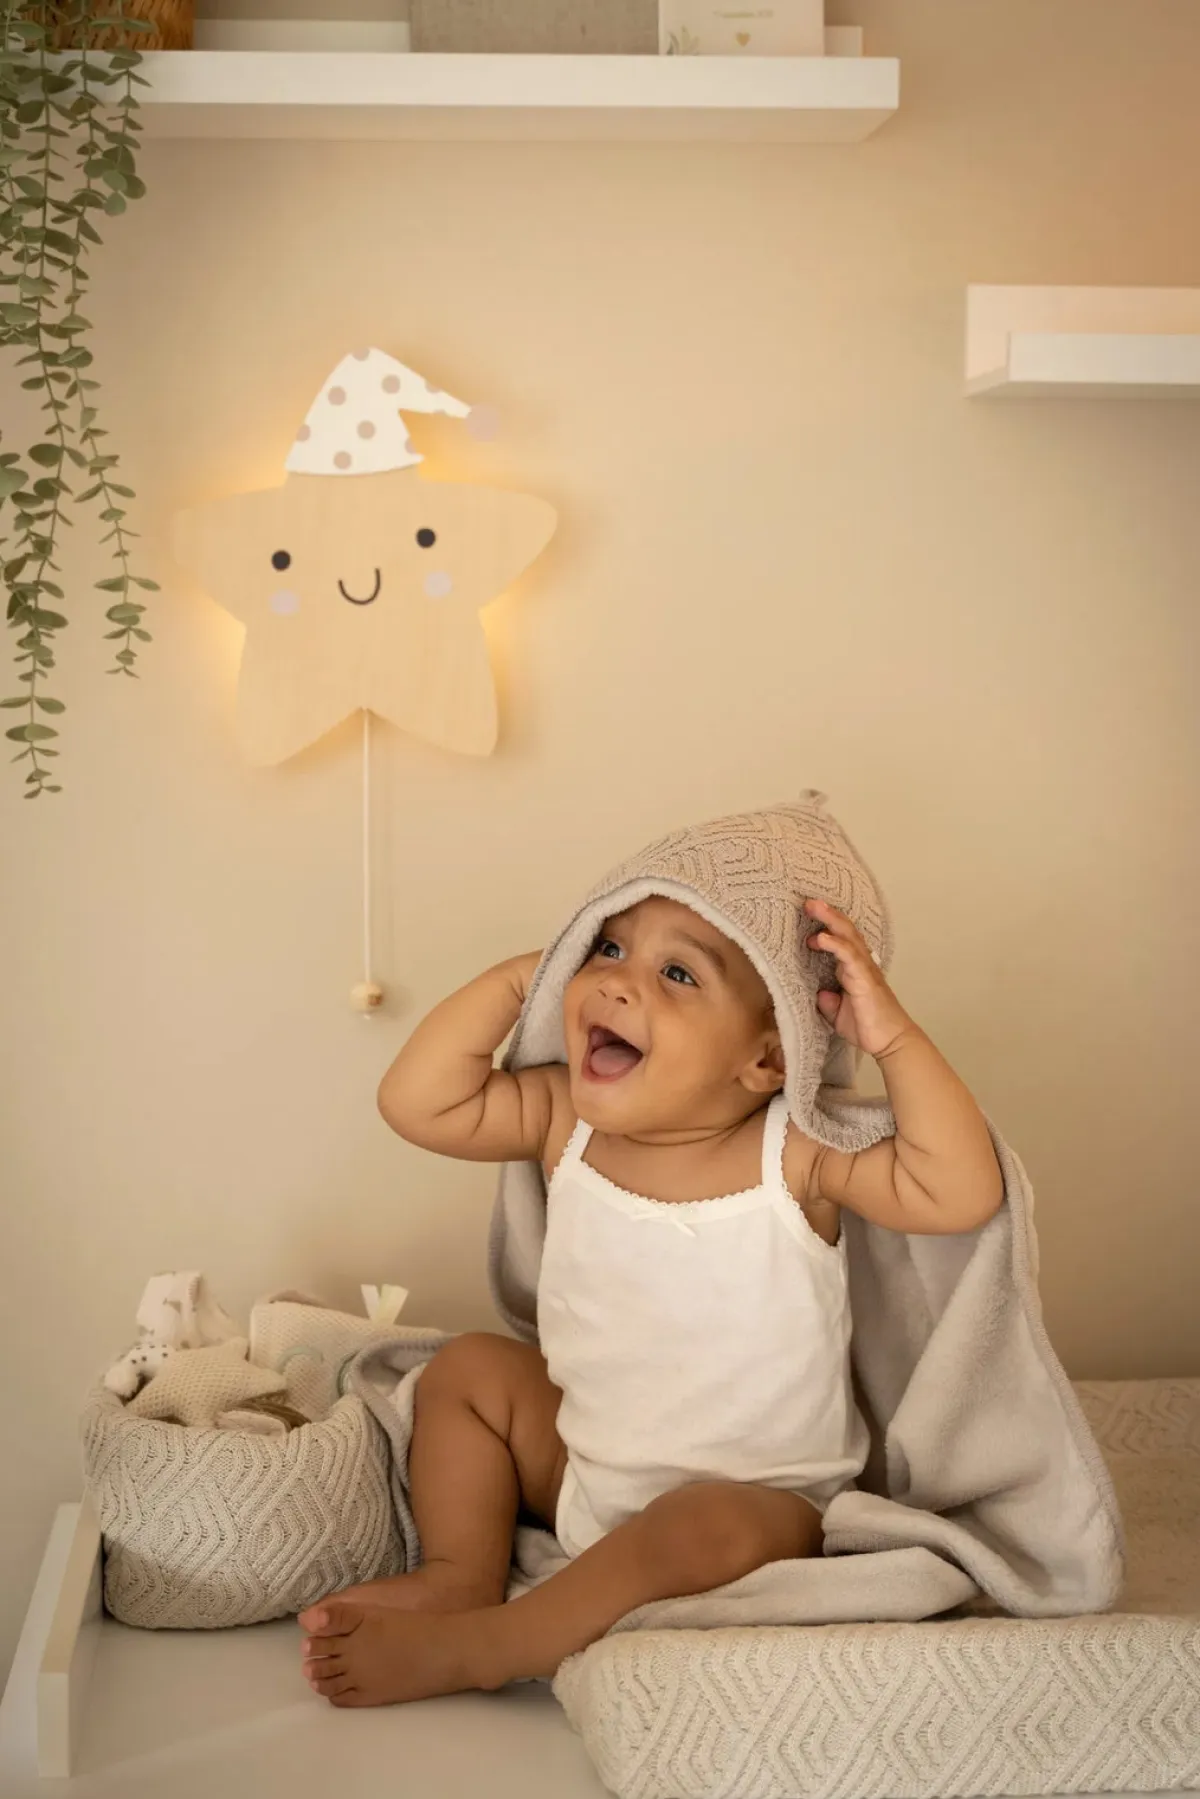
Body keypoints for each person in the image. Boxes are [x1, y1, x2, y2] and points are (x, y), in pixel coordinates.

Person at [299, 888, 1002, 1706]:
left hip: (762, 1503)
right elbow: (416, 1101)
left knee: (702, 1522)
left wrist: (895, 1040)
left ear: (767, 1058)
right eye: (607, 949)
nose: (618, 980)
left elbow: (958, 1192)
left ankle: (487, 1644)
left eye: (677, 972)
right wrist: (531, 976)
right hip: (586, 1467)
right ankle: (460, 1575)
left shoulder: (797, 1153)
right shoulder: (564, 1116)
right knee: (468, 1371)